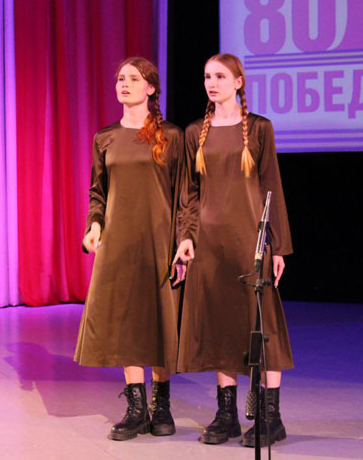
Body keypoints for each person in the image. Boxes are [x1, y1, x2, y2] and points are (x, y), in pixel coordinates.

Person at [174, 53, 294, 448]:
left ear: (239, 81)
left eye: (221, 76)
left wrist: (278, 246)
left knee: (263, 325)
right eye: (207, 76)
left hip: (250, 241)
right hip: (210, 243)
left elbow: (271, 186)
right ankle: (226, 415)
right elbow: (189, 193)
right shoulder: (196, 132)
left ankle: (270, 417)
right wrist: (186, 236)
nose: (212, 83)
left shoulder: (259, 128)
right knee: (221, 326)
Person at [74, 57, 185, 441]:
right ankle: (136, 407)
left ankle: (162, 404)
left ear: (150, 88)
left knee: (159, 320)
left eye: (134, 79)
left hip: (159, 240)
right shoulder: (105, 137)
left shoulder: (171, 135)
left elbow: (184, 193)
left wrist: (184, 239)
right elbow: (98, 192)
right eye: (121, 78)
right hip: (119, 241)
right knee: (126, 321)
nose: (124, 84)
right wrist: (94, 225)